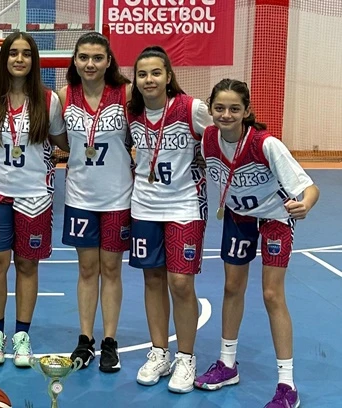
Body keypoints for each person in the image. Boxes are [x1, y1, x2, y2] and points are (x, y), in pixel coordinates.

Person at [194, 79, 318, 408]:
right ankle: (227, 365)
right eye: (220, 108)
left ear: (247, 111)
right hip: (238, 218)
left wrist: (305, 205)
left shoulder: (266, 144)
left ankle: (287, 386)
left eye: (234, 108)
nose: (226, 114)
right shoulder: (208, 139)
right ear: (211, 109)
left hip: (275, 218)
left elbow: (310, 188)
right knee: (232, 288)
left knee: (272, 294)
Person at [126, 46, 213, 393]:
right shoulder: (132, 113)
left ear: (168, 76)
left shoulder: (191, 109)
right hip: (144, 205)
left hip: (184, 205)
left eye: (155, 73)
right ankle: (159, 352)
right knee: (152, 279)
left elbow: (221, 137)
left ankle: (186, 358)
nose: (149, 79)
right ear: (136, 79)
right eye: (142, 74)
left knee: (180, 283)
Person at [0, 32, 66, 367]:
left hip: (35, 194)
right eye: (13, 53)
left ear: (34, 60)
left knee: (28, 265)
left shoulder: (49, 100)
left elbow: (61, 140)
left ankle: (22, 336)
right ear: (4, 58)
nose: (19, 59)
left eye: (26, 53)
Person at [57, 32, 132, 373]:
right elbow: (60, 140)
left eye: (97, 57)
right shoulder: (64, 96)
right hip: (80, 196)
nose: (90, 63)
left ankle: (110, 341)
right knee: (87, 269)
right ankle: (85, 339)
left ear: (108, 61)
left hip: (117, 196)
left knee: (111, 269)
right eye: (84, 57)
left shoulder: (125, 94)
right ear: (74, 60)